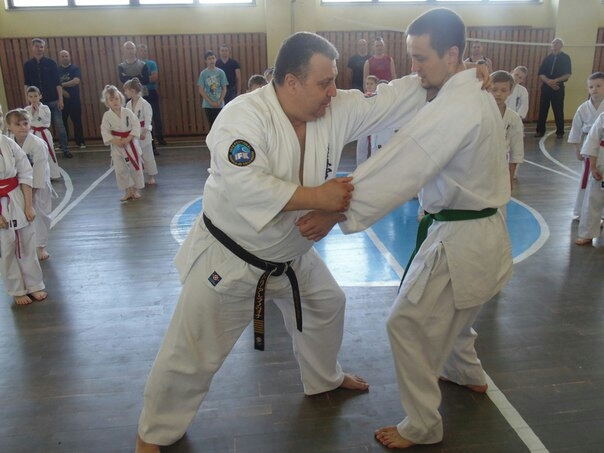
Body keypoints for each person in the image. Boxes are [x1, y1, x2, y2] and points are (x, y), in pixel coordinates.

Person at [135, 30, 443, 453]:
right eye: (324, 83)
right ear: (291, 82)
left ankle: (323, 378)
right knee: (191, 353)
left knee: (327, 305)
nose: (334, 91)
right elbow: (246, 185)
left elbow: (390, 99)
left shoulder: (334, 109)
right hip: (231, 259)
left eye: (334, 81)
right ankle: (153, 432)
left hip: (291, 256)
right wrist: (320, 198)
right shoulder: (242, 118)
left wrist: (452, 75)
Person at [315, 8, 512, 449]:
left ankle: (423, 424)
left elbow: (405, 161)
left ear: (452, 55)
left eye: (421, 58)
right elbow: (408, 109)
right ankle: (465, 371)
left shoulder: (458, 105)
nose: (414, 67)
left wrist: (337, 207)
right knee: (459, 311)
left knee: (406, 324)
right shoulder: (462, 89)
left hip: (462, 236)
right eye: (412, 57)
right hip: (479, 231)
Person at [0, 105, 48, 306]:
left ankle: (34, 285)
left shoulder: (8, 143)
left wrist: (29, 205)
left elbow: (25, 173)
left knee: (27, 241)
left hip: (17, 196)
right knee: (6, 248)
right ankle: (17, 289)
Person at [6, 109, 53, 262]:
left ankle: (41, 246)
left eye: (25, 123)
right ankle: (24, 244)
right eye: (17, 124)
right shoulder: (8, 143)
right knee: (20, 214)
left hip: (39, 185)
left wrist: (31, 196)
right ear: (9, 126)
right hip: (18, 184)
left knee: (40, 214)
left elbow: (39, 172)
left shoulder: (37, 144)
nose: (22, 127)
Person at [22, 38, 72, 158]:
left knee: (60, 125)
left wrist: (60, 99)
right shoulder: (28, 65)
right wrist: (27, 99)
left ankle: (65, 149)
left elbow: (58, 83)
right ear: (32, 48)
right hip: (36, 101)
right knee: (36, 126)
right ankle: (38, 150)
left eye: (41, 47)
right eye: (37, 46)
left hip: (53, 99)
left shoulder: (51, 63)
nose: (39, 49)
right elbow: (26, 84)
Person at [568, 72, 604, 220]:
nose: (594, 89)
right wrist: (577, 149)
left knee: (601, 180)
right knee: (586, 178)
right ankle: (580, 211)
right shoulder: (583, 108)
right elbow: (576, 129)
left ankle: (601, 214)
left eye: (598, 86)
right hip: (589, 146)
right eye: (591, 87)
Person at [100, 85, 144, 202]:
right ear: (107, 103)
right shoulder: (107, 116)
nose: (115, 101)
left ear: (121, 99)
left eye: (116, 98)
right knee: (120, 170)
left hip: (130, 142)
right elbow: (105, 131)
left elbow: (136, 125)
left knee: (135, 167)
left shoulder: (127, 112)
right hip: (117, 145)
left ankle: (135, 189)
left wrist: (128, 138)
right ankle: (128, 191)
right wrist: (115, 141)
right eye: (111, 100)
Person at [489, 70, 524, 189]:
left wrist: (510, 179)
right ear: (487, 89)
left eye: (503, 90)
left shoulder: (513, 118)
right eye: (494, 89)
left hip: (500, 166)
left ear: (510, 92)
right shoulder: (478, 113)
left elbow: (516, 151)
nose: (498, 94)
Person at [575, 111, 604, 245]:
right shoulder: (603, 117)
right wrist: (592, 166)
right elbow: (592, 140)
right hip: (602, 162)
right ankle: (587, 233)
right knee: (594, 198)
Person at [535, 38, 572, 139]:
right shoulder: (547, 58)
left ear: (561, 45)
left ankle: (560, 132)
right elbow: (541, 73)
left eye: (557, 43)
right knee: (543, 109)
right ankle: (540, 130)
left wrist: (555, 80)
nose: (554, 45)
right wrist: (548, 82)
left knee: (558, 109)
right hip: (546, 87)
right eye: (553, 43)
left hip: (558, 87)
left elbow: (568, 74)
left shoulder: (566, 58)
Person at [124, 78, 158, 186]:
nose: (125, 93)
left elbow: (148, 120)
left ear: (132, 91)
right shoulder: (128, 104)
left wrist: (145, 132)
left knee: (147, 155)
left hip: (143, 132)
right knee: (135, 156)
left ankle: (151, 175)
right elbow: (126, 120)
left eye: (126, 90)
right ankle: (138, 176)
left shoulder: (144, 103)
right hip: (133, 133)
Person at [24, 86, 62, 180]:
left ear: (40, 96)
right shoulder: (26, 109)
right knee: (33, 154)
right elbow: (27, 122)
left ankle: (53, 174)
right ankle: (38, 175)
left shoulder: (45, 108)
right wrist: (33, 112)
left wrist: (38, 111)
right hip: (32, 133)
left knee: (48, 152)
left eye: (35, 96)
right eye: (31, 96)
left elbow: (46, 121)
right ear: (27, 97)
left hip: (43, 132)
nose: (33, 99)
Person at [137, 44, 166, 147]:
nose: (143, 52)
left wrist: (141, 79)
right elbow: (134, 80)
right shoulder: (136, 64)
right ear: (138, 52)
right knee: (144, 117)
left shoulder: (151, 63)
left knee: (156, 116)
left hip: (151, 92)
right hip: (140, 93)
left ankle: (160, 138)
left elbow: (154, 78)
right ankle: (150, 139)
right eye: (141, 51)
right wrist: (146, 78)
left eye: (145, 51)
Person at [58, 50, 86, 149]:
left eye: (66, 56)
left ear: (69, 57)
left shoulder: (75, 68)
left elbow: (76, 81)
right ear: (59, 58)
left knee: (77, 121)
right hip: (61, 100)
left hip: (74, 100)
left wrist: (62, 85)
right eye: (62, 56)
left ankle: (80, 142)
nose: (65, 58)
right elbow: (54, 84)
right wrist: (63, 92)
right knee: (62, 122)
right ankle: (64, 144)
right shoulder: (57, 70)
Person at [197, 50, 227, 130]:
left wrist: (220, 101)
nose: (212, 60)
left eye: (213, 58)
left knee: (220, 125)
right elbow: (201, 89)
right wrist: (211, 102)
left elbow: (224, 88)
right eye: (209, 59)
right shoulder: (203, 73)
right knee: (212, 125)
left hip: (220, 104)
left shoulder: (221, 72)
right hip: (208, 105)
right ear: (206, 61)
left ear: (216, 59)